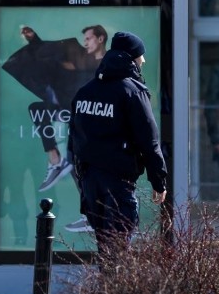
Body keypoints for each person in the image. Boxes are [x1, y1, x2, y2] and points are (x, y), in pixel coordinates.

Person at [68, 31, 168, 253]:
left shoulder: (85, 91)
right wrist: (158, 181)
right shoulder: (132, 91)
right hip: (118, 181)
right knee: (118, 248)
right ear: (132, 57)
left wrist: (83, 179)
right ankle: (116, 289)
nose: (144, 60)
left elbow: (74, 140)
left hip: (91, 182)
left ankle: (106, 287)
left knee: (105, 246)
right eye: (141, 55)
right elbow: (149, 140)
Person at [2, 25, 108, 192]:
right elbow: (51, 52)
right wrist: (34, 40)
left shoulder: (108, 63)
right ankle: (55, 159)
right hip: (70, 110)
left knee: (80, 163)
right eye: (84, 39)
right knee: (37, 109)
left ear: (100, 39)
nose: (85, 43)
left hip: (93, 119)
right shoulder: (79, 56)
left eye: (88, 39)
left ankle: (90, 210)